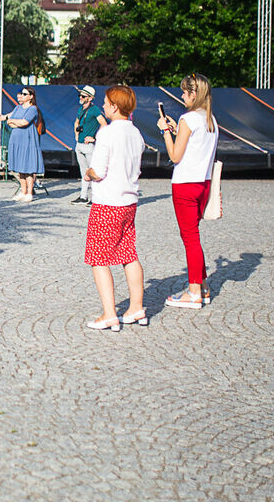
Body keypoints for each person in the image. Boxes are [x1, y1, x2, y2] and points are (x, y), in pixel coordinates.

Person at [84, 85, 147, 331]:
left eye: (107, 102)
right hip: (129, 201)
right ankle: (136, 306)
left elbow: (99, 171)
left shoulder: (107, 134)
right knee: (128, 253)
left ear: (115, 106)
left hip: (107, 202)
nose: (104, 106)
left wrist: (88, 173)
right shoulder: (136, 134)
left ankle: (109, 313)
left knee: (98, 257)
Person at [157, 73, 219, 310]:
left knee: (190, 238)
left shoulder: (188, 119)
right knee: (194, 237)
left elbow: (175, 156)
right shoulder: (211, 120)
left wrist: (165, 131)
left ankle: (194, 290)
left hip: (185, 183)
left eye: (184, 92)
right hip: (203, 182)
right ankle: (201, 286)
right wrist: (176, 129)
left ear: (194, 94)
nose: (182, 96)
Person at [0, 86, 44, 202]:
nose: (21, 96)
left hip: (27, 140)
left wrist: (13, 121)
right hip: (16, 139)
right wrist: (11, 120)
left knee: (28, 168)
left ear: (31, 96)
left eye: (24, 94)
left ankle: (29, 193)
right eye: (21, 93)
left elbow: (24, 122)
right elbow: (10, 121)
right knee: (20, 168)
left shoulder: (32, 109)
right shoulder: (18, 107)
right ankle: (23, 192)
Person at [72, 86, 105, 204]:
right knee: (83, 172)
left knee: (93, 171)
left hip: (88, 145)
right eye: (80, 95)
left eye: (83, 96)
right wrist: (76, 135)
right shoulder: (81, 109)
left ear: (90, 98)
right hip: (79, 144)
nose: (80, 98)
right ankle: (83, 196)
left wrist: (94, 138)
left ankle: (95, 197)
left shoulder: (95, 110)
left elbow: (104, 124)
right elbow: (76, 121)